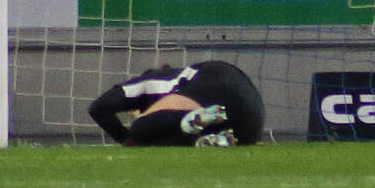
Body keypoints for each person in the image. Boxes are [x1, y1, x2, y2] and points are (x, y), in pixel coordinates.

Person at [87, 60, 265, 147]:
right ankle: (207, 139)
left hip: (219, 82)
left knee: (140, 130)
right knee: (166, 138)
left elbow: (99, 107)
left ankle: (193, 120)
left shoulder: (149, 82)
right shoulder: (186, 80)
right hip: (250, 126)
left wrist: (127, 138)